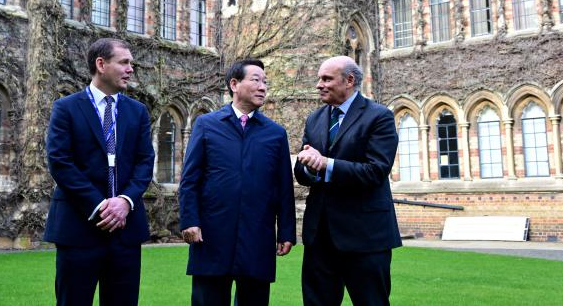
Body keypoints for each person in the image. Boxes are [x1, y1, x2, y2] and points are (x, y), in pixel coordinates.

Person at [43, 38, 155, 306]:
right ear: (101, 64)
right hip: (79, 226)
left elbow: (144, 162)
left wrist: (125, 202)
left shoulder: (138, 112)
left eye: (132, 63)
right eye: (124, 62)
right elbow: (60, 161)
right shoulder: (66, 108)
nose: (130, 69)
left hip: (126, 231)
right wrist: (100, 206)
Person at [179, 59, 296, 306]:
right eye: (256, 80)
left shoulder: (275, 133)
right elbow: (190, 179)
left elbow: (283, 187)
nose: (263, 86)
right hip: (210, 236)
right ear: (234, 84)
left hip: (257, 237)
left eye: (265, 82)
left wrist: (286, 231)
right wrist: (190, 220)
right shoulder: (206, 125)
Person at [294, 56, 402, 306]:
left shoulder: (379, 117)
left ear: (350, 80)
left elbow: (376, 171)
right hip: (320, 236)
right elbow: (304, 171)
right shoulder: (315, 119)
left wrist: (326, 164)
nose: (319, 85)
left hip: (365, 236)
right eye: (319, 79)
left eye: (326, 79)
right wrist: (308, 167)